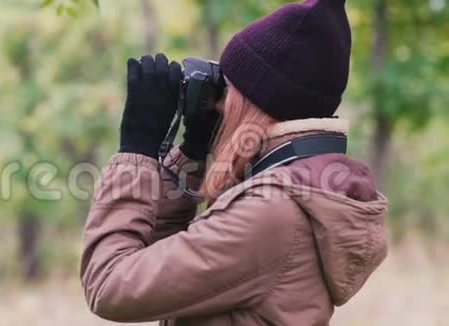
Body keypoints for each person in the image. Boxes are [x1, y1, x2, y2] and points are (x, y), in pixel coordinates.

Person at [80, 0, 388, 325]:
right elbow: (164, 261)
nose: (219, 104)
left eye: (228, 91)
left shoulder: (272, 213)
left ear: (257, 102)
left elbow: (109, 285)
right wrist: (193, 150)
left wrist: (137, 148)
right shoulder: (292, 195)